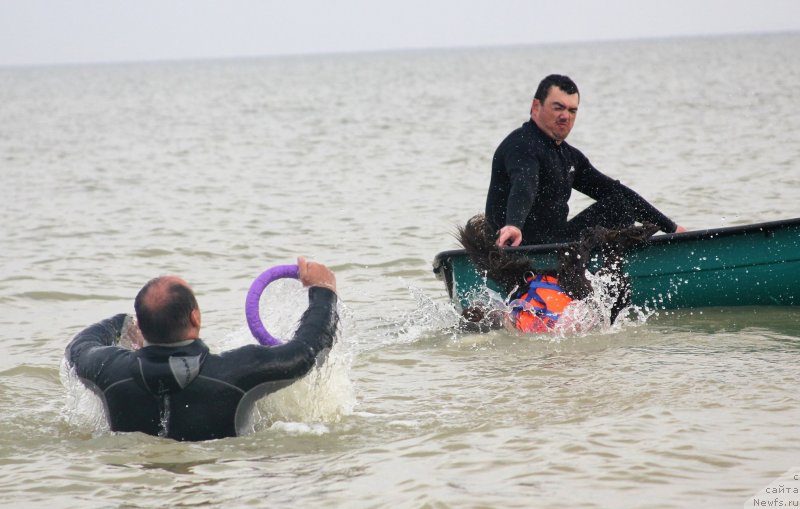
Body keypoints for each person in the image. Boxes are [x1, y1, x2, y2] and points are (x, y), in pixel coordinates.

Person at [64, 257, 338, 441]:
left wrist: (121, 323)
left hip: (142, 472)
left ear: (143, 327)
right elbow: (306, 352)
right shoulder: (235, 371)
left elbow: (79, 347)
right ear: (195, 318)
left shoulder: (110, 370)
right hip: (215, 469)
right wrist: (323, 289)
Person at [485, 74, 686, 248]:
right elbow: (524, 184)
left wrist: (672, 228)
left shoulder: (570, 156)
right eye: (558, 108)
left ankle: (614, 276)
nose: (565, 116)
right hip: (515, 249)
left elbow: (617, 191)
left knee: (619, 203)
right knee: (619, 205)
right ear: (536, 106)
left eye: (572, 111)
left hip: (555, 245)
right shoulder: (521, 145)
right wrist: (513, 225)